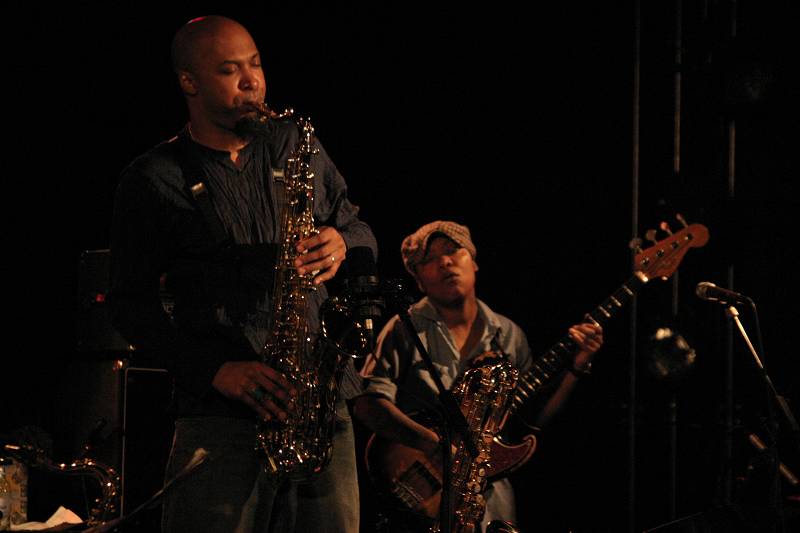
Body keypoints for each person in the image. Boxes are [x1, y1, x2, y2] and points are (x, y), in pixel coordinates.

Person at [108, 15, 375, 533]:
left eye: (255, 64)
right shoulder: (151, 177)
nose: (253, 81)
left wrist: (343, 242)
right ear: (190, 83)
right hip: (219, 416)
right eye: (230, 70)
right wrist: (215, 370)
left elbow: (357, 226)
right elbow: (128, 305)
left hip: (319, 406)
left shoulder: (295, 142)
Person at [353, 221, 603, 532]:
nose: (445, 262)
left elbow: (531, 421)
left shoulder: (509, 334)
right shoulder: (403, 328)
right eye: (429, 259)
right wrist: (435, 445)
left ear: (474, 261)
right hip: (421, 504)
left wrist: (576, 366)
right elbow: (368, 405)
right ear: (417, 278)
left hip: (490, 503)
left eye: (453, 251)